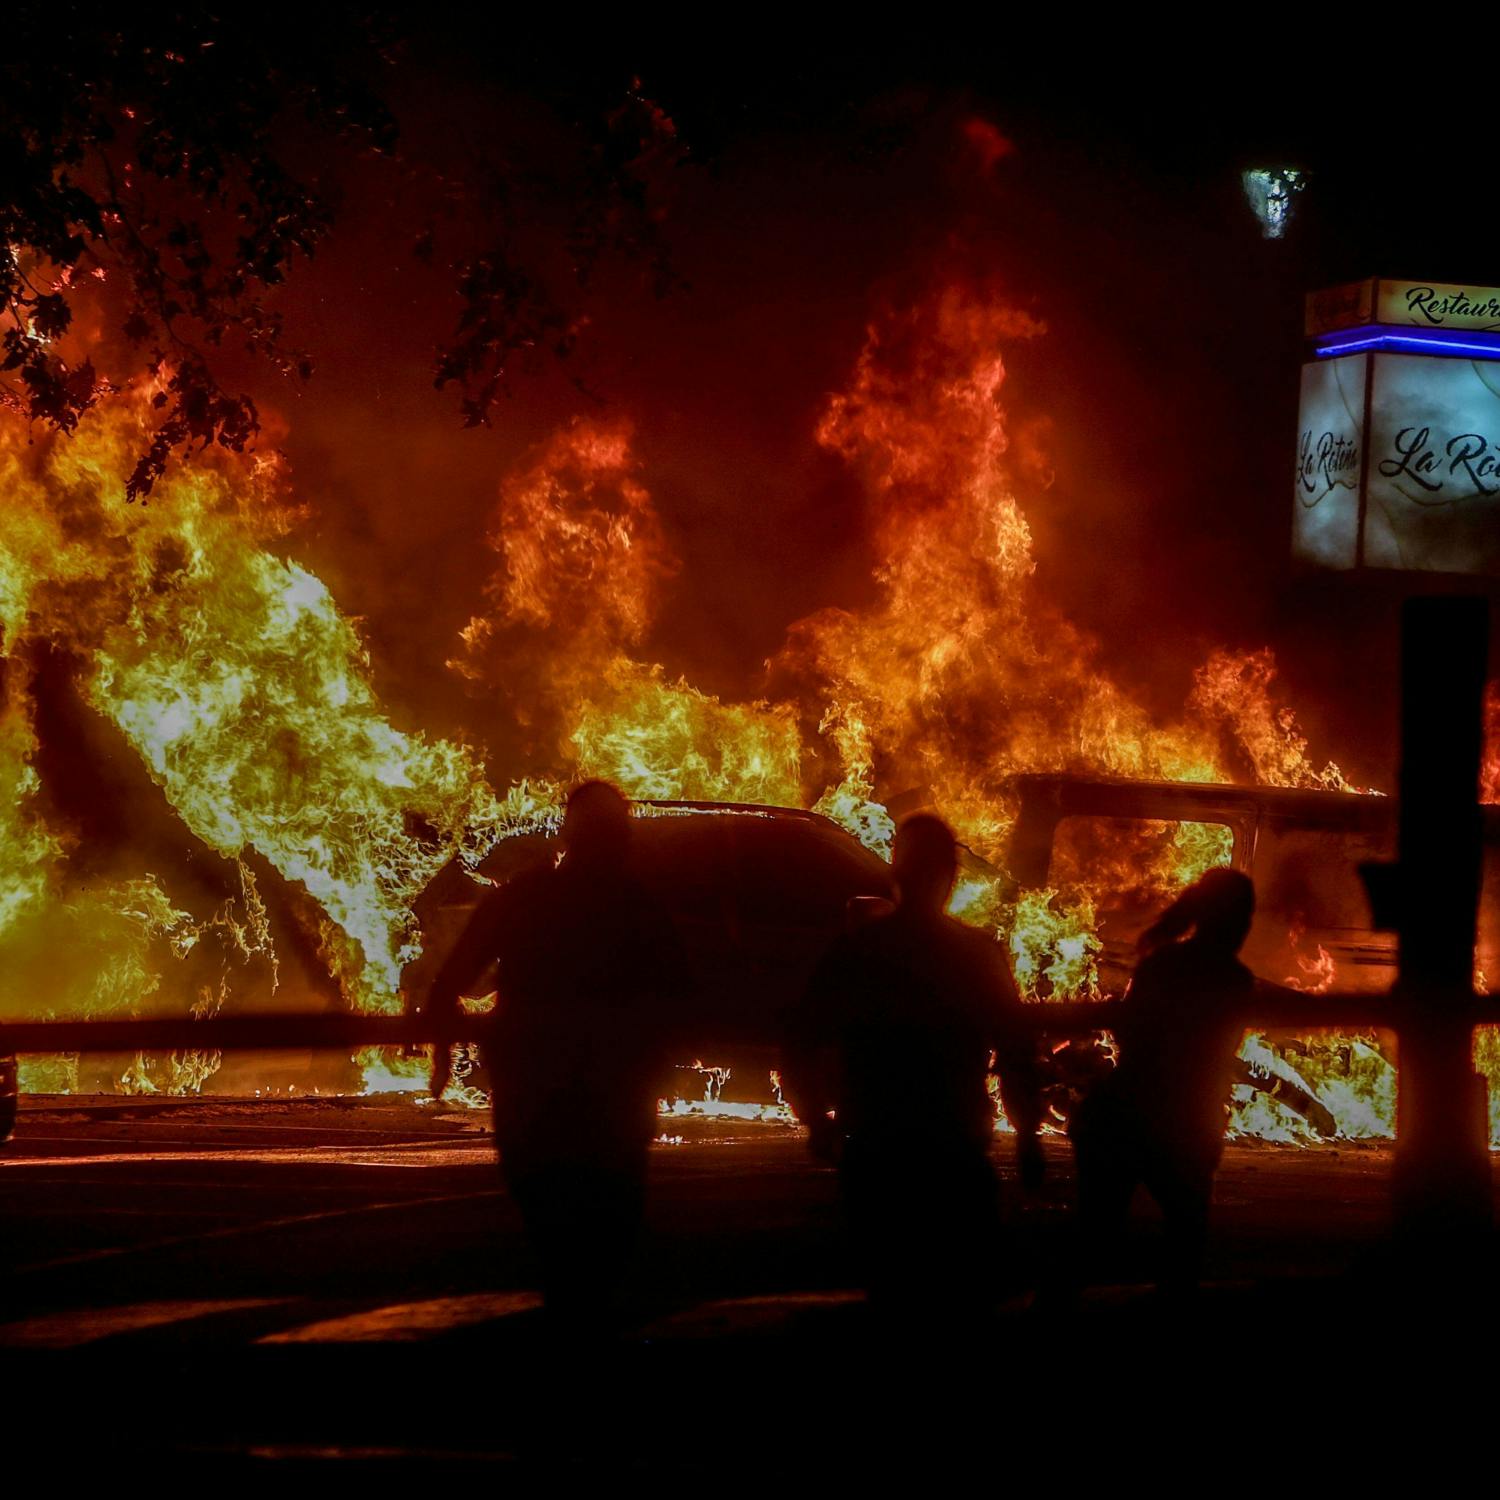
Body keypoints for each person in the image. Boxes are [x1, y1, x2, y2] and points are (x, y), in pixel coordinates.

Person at [422, 780, 688, 1330]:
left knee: (555, 1232)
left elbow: (449, 982)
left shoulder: (525, 899)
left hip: (538, 1099)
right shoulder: (638, 907)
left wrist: (443, 1057)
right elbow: (677, 1001)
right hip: (605, 1102)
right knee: (604, 1240)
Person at [785, 813, 1043, 1322]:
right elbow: (1014, 1050)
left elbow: (800, 1039)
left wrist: (817, 1118)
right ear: (950, 877)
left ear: (895, 875)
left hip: (878, 1151)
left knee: (892, 1297)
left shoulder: (858, 952)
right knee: (961, 1301)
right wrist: (1029, 1138)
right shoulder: (975, 955)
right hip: (953, 1152)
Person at [1068, 867, 1257, 1299]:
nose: (1245, 927)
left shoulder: (1162, 964)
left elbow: (1131, 1034)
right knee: (1183, 1244)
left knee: (1094, 1239)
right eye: (1244, 917)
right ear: (1230, 919)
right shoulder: (1234, 980)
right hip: (1179, 1121)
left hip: (1125, 1113)